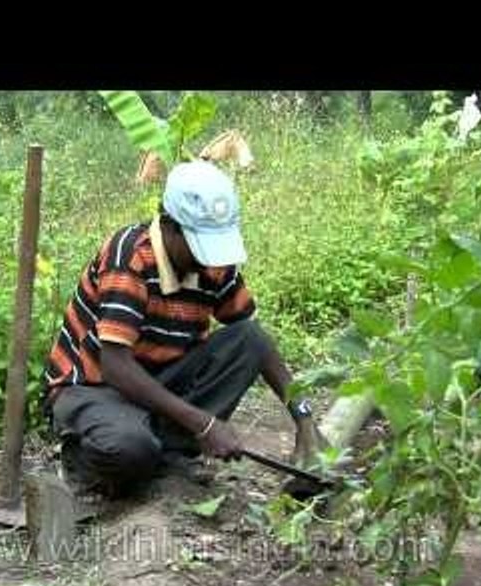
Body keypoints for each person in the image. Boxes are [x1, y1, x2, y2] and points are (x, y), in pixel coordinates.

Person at [41, 160, 325, 515]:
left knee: (248, 339)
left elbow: (256, 342)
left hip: (161, 381)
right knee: (130, 448)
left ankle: (165, 451)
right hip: (96, 387)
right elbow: (115, 367)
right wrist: (203, 423)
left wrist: (304, 418)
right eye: (198, 245)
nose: (209, 262)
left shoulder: (213, 264)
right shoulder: (129, 257)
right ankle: (86, 458)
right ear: (170, 227)